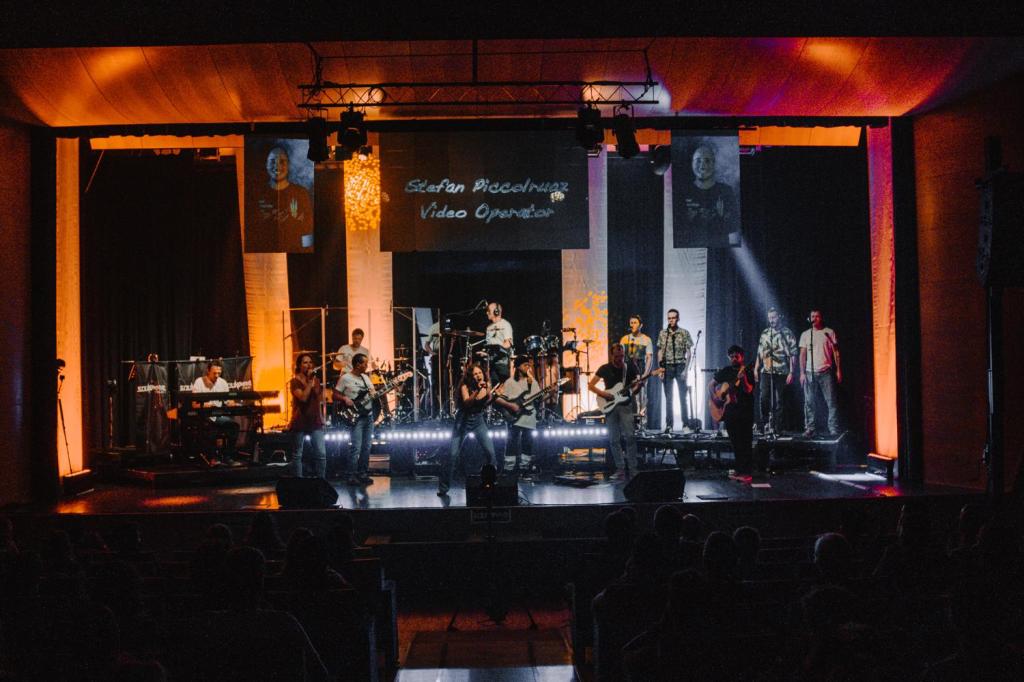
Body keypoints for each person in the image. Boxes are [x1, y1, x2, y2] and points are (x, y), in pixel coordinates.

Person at [438, 363, 498, 496]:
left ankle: (491, 482)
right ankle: (443, 487)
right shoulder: (465, 386)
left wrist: (494, 397)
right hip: (463, 420)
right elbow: (467, 402)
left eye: (480, 373)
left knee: (490, 453)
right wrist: (476, 390)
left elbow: (485, 403)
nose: (478, 376)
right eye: (475, 374)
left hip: (478, 420)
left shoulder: (487, 385)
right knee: (453, 454)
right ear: (471, 376)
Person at [589, 344, 641, 481]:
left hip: (625, 406)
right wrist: (604, 394)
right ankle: (620, 469)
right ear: (611, 355)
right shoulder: (604, 368)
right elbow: (591, 385)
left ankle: (633, 469)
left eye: (622, 356)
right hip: (610, 406)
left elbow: (635, 389)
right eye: (617, 356)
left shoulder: (630, 368)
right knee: (613, 439)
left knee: (630, 436)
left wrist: (638, 387)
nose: (620, 359)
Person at [250, 145, 314, 253]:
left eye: (282, 161)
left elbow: (308, 230)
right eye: (272, 161)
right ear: (266, 164)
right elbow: (252, 233)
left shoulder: (301, 194)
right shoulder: (256, 194)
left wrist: (306, 251)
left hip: (296, 254)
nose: (277, 166)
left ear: (288, 165)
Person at [677, 143, 740, 248]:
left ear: (714, 163)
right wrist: (687, 218)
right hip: (690, 251)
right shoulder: (682, 192)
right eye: (698, 160)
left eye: (707, 160)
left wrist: (721, 216)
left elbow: (734, 226)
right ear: (692, 163)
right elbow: (675, 229)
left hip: (721, 250)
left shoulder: (726, 191)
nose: (702, 165)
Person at [713, 345, 756, 477]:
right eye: (731, 356)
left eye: (736, 356)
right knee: (735, 442)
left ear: (742, 356)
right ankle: (739, 469)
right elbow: (711, 384)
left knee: (746, 441)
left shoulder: (748, 370)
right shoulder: (726, 371)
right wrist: (716, 398)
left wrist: (743, 379)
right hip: (730, 412)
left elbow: (749, 389)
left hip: (745, 410)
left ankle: (747, 471)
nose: (733, 359)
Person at [494, 355, 541, 475]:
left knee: (528, 442)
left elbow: (539, 396)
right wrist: (510, 407)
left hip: (529, 416)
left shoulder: (532, 381)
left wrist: (549, 393)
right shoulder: (509, 382)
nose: (528, 367)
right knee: (511, 441)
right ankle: (509, 468)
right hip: (514, 417)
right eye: (525, 365)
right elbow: (499, 399)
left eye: (528, 365)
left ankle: (524, 468)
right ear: (518, 367)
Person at [754, 307, 798, 435]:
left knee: (780, 401)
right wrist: (756, 369)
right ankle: (765, 425)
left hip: (781, 372)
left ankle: (778, 428)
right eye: (770, 318)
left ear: (779, 317)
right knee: (764, 398)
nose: (771, 320)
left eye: (774, 317)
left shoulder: (787, 333)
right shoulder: (765, 333)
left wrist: (791, 372)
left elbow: (793, 354)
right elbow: (760, 353)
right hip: (766, 371)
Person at [799, 310, 842, 437]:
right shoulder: (806, 334)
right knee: (809, 401)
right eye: (812, 316)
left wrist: (838, 370)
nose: (814, 318)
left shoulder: (829, 332)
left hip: (826, 371)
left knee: (831, 401)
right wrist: (802, 373)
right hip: (809, 372)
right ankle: (810, 428)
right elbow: (802, 354)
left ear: (821, 318)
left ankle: (833, 428)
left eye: (817, 316)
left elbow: (836, 352)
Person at [335, 353, 376, 486]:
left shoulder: (366, 378)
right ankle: (351, 475)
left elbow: (373, 393)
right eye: (365, 363)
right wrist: (345, 398)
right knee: (356, 447)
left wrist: (376, 393)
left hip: (368, 416)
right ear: (358, 364)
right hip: (356, 417)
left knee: (367, 447)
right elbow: (335, 394)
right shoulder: (345, 378)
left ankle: (362, 473)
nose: (367, 365)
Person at [190, 359, 241, 465]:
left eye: (219, 373)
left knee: (234, 426)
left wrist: (234, 403)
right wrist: (207, 405)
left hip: (217, 415)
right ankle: (212, 457)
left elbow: (228, 401)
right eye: (214, 373)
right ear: (208, 371)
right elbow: (194, 405)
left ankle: (227, 457)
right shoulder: (199, 382)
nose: (217, 375)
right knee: (210, 427)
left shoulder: (223, 383)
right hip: (204, 415)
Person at [288, 353, 327, 478]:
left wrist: (322, 417)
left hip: (315, 420)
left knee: (321, 454)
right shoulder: (294, 382)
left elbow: (318, 399)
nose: (308, 365)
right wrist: (310, 383)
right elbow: (303, 398)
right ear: (299, 365)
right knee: (297, 454)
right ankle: (298, 481)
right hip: (300, 420)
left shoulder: (316, 380)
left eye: (310, 362)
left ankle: (321, 480)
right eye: (305, 362)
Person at [657, 309, 693, 433]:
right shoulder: (663, 333)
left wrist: (686, 370)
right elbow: (660, 351)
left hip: (680, 365)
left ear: (678, 318)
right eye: (669, 318)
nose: (671, 320)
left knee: (683, 397)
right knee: (669, 398)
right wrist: (661, 369)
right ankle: (669, 425)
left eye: (673, 318)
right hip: (667, 367)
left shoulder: (684, 333)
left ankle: (685, 425)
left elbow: (688, 353)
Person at [484, 301, 514, 385]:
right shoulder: (488, 328)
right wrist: (484, 353)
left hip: (503, 362)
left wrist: (497, 348)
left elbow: (507, 344)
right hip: (491, 363)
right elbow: (488, 346)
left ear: (496, 311)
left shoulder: (506, 324)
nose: (487, 313)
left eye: (489, 311)